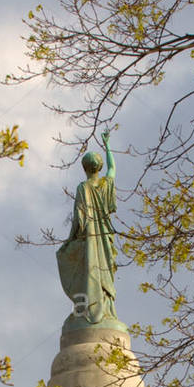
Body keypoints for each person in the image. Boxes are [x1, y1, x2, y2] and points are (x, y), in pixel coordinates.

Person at [56, 130, 123, 329]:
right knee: (103, 273)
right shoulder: (105, 183)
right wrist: (108, 145)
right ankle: (105, 310)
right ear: (99, 168)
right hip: (104, 237)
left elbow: (79, 217)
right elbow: (113, 168)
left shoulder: (82, 188)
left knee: (87, 272)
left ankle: (86, 311)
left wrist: (70, 239)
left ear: (84, 169)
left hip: (89, 239)